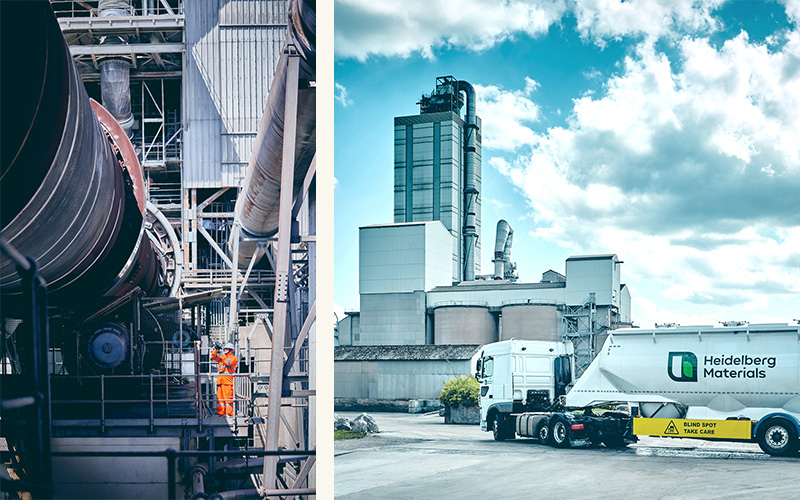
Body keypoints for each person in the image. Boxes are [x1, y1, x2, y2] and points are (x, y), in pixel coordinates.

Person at [211, 342, 238, 416]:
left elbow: (228, 363)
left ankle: (230, 414)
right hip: (220, 381)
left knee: (228, 399)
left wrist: (223, 355)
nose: (225, 350)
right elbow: (213, 357)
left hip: (228, 382)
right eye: (225, 349)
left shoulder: (233, 358)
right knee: (220, 399)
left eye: (227, 349)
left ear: (231, 350)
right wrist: (215, 350)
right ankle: (221, 413)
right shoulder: (222, 357)